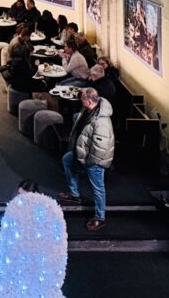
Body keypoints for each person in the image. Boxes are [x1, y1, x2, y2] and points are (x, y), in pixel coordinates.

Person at [58, 87, 114, 232]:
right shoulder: (88, 110)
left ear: (89, 101)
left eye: (82, 98)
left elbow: (100, 146)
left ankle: (100, 217)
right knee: (66, 160)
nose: (80, 100)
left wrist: (88, 162)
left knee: (98, 187)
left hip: (94, 160)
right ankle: (74, 194)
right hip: (81, 152)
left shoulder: (101, 122)